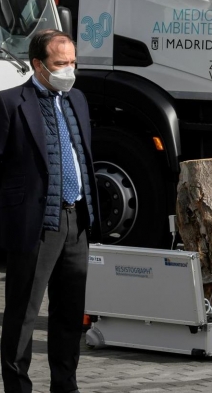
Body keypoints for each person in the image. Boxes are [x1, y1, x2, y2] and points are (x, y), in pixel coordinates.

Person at [0, 29, 100, 393]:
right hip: (35, 225)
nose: (68, 70)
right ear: (37, 65)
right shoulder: (11, 103)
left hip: (76, 221)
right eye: (60, 63)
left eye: (73, 62)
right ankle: (17, 387)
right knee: (23, 315)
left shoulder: (78, 100)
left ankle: (65, 385)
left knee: (70, 314)